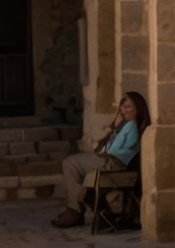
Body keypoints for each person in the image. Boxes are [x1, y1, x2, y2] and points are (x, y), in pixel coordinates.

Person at [51, 91, 151, 228]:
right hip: (108, 159)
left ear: (138, 109)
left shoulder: (132, 127)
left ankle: (75, 209)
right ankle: (77, 206)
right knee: (72, 165)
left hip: (112, 162)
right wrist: (115, 128)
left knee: (70, 163)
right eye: (123, 106)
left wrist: (114, 129)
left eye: (129, 107)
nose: (124, 110)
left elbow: (111, 151)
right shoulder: (126, 125)